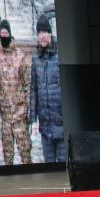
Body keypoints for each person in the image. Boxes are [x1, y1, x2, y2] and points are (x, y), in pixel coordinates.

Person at [0, 20, 32, 165]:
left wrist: (28, 109)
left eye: (6, 33)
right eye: (2, 33)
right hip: (5, 117)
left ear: (10, 34)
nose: (4, 36)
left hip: (20, 114)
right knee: (7, 156)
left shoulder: (20, 55)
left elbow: (27, 83)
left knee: (25, 153)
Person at [29, 14, 65, 162]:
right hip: (45, 127)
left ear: (50, 33)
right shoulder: (36, 59)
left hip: (62, 125)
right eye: (39, 33)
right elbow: (33, 90)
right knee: (49, 167)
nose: (42, 36)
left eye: (44, 32)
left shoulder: (60, 55)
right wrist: (33, 119)